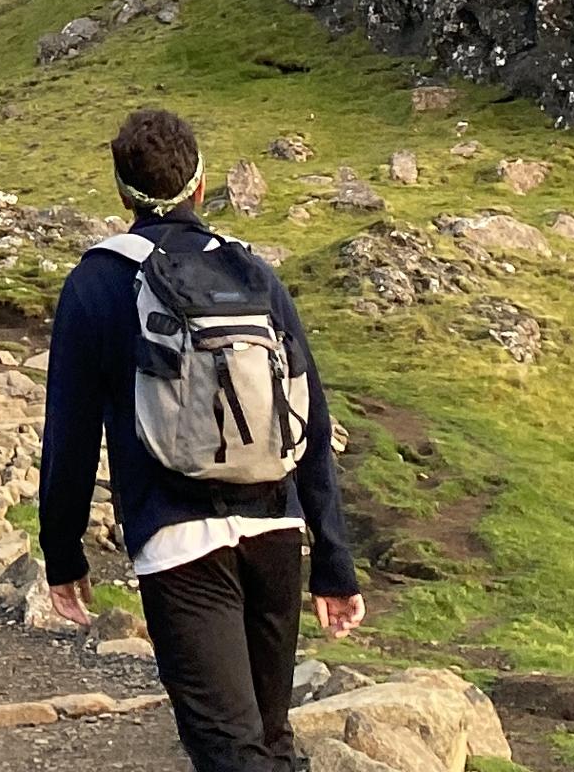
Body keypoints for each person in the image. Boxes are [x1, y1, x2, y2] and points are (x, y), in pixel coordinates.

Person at [36, 108, 363, 772]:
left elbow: (68, 434)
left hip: (178, 541)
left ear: (123, 192)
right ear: (202, 186)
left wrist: (62, 554)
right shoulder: (251, 273)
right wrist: (332, 560)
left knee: (230, 751)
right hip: (275, 529)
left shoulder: (96, 282)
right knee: (270, 740)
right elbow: (312, 418)